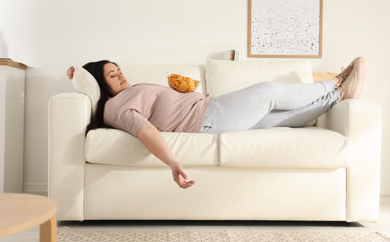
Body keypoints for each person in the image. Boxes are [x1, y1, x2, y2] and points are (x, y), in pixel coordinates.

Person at [67, 57, 366, 189]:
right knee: (269, 92)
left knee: (278, 118)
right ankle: (334, 84)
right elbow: (146, 131)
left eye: (119, 70)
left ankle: (337, 97)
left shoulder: (126, 94)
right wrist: (173, 162)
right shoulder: (117, 109)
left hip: (208, 113)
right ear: (100, 84)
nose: (121, 75)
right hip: (208, 117)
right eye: (112, 75)